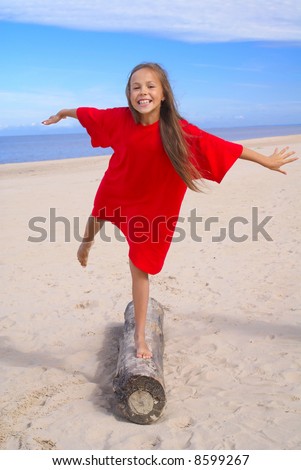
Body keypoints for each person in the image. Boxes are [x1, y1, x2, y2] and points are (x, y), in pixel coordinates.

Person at [42, 62, 298, 359]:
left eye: (151, 86)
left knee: (140, 265)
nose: (143, 92)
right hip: (118, 187)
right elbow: (89, 114)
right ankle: (85, 245)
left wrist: (266, 160)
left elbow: (223, 147)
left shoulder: (177, 130)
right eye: (136, 87)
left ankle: (139, 336)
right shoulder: (119, 118)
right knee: (97, 216)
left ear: (163, 94)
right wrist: (63, 112)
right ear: (129, 94)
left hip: (151, 206)